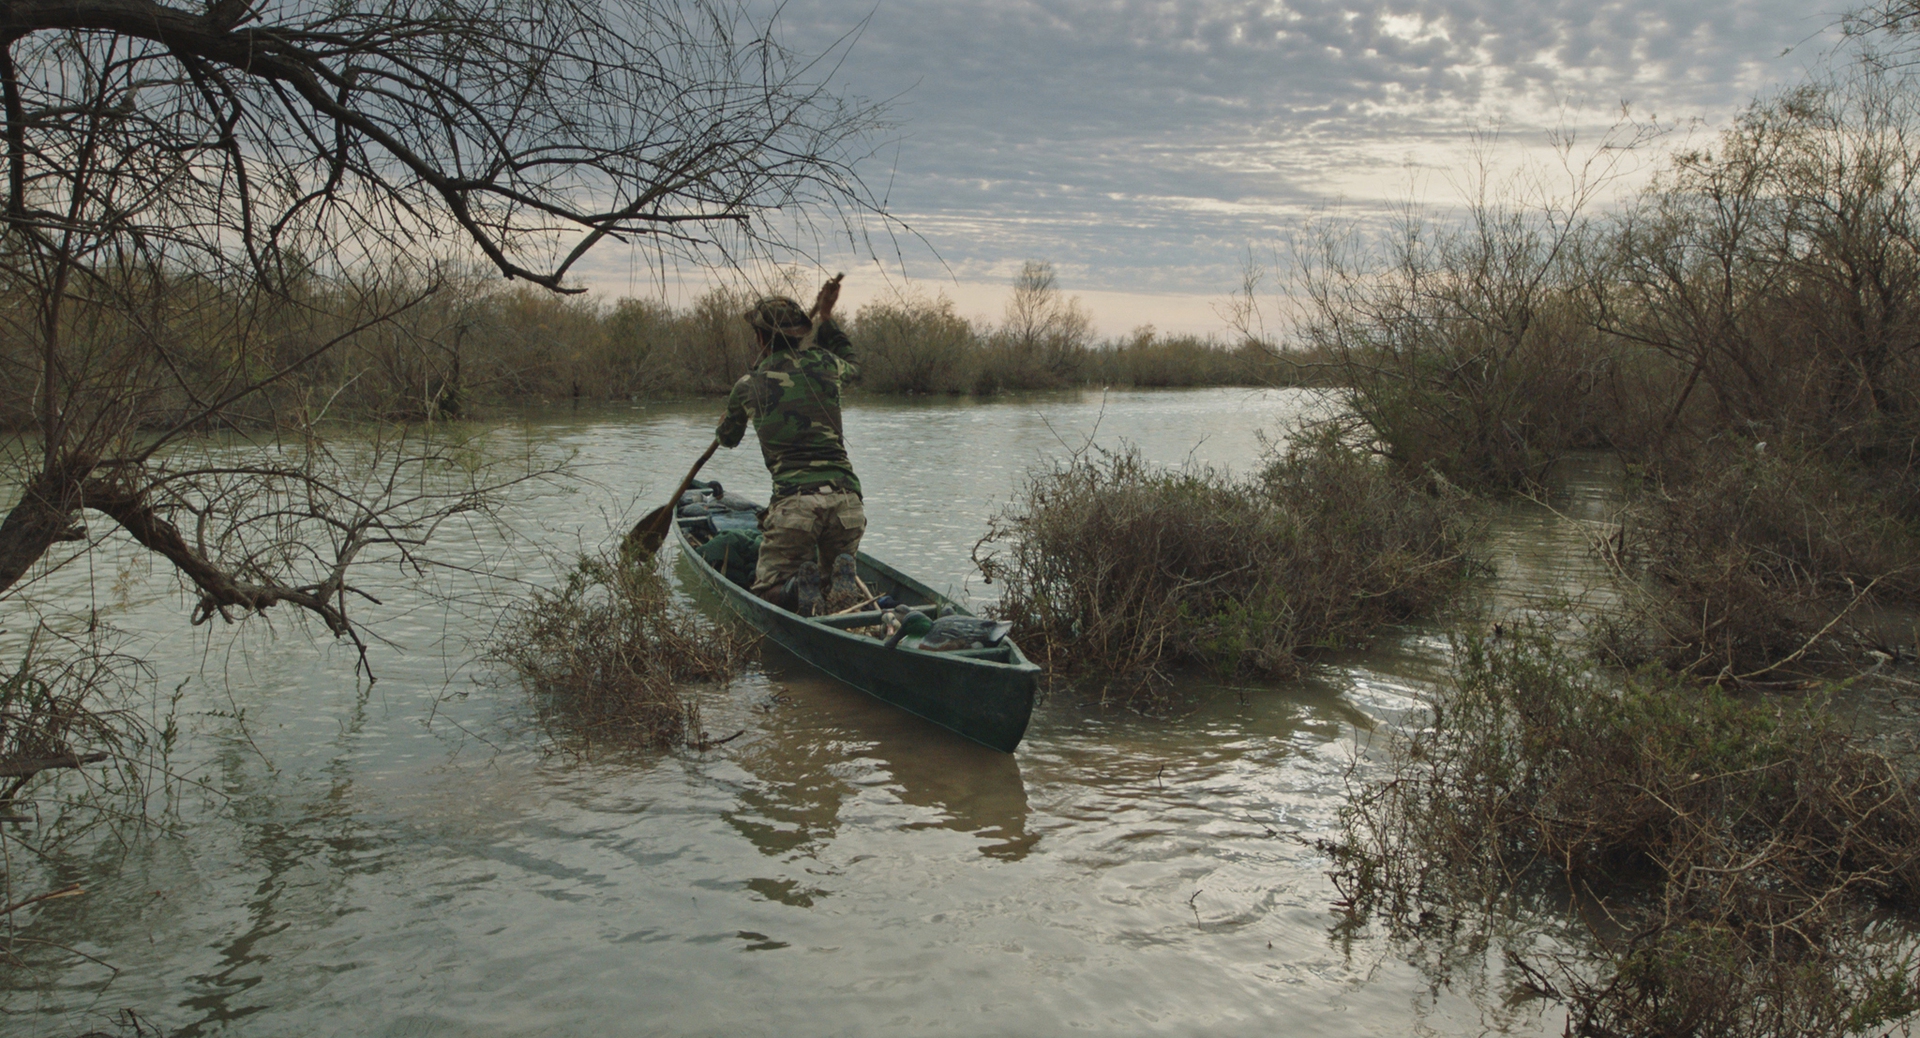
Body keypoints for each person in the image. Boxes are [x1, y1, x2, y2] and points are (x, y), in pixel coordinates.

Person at [715, 275, 865, 614]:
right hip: (847, 503)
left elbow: (728, 439)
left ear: (759, 338)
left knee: (767, 589)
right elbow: (855, 366)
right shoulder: (827, 365)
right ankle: (831, 582)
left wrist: (724, 422)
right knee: (833, 595)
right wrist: (826, 319)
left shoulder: (747, 386)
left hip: (795, 507)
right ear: (800, 335)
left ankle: (797, 586)